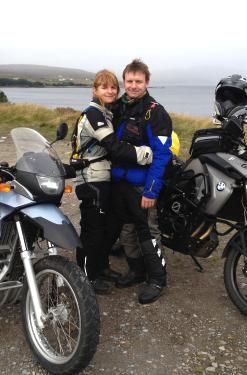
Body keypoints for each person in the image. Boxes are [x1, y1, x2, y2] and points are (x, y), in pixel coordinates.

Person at [71, 69, 153, 295]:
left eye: (113, 87)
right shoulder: (94, 114)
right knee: (92, 229)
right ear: (95, 90)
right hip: (91, 179)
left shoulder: (106, 113)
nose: (110, 91)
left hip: (104, 178)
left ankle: (100, 266)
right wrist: (144, 154)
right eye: (104, 87)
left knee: (109, 227)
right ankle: (86, 276)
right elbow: (113, 146)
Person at [103, 59, 173, 304]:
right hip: (119, 182)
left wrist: (152, 191)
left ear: (147, 82)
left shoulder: (155, 112)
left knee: (147, 231)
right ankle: (136, 270)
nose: (133, 86)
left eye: (138, 81)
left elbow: (163, 154)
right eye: (129, 81)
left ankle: (157, 278)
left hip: (142, 185)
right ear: (124, 82)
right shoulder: (118, 106)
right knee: (126, 231)